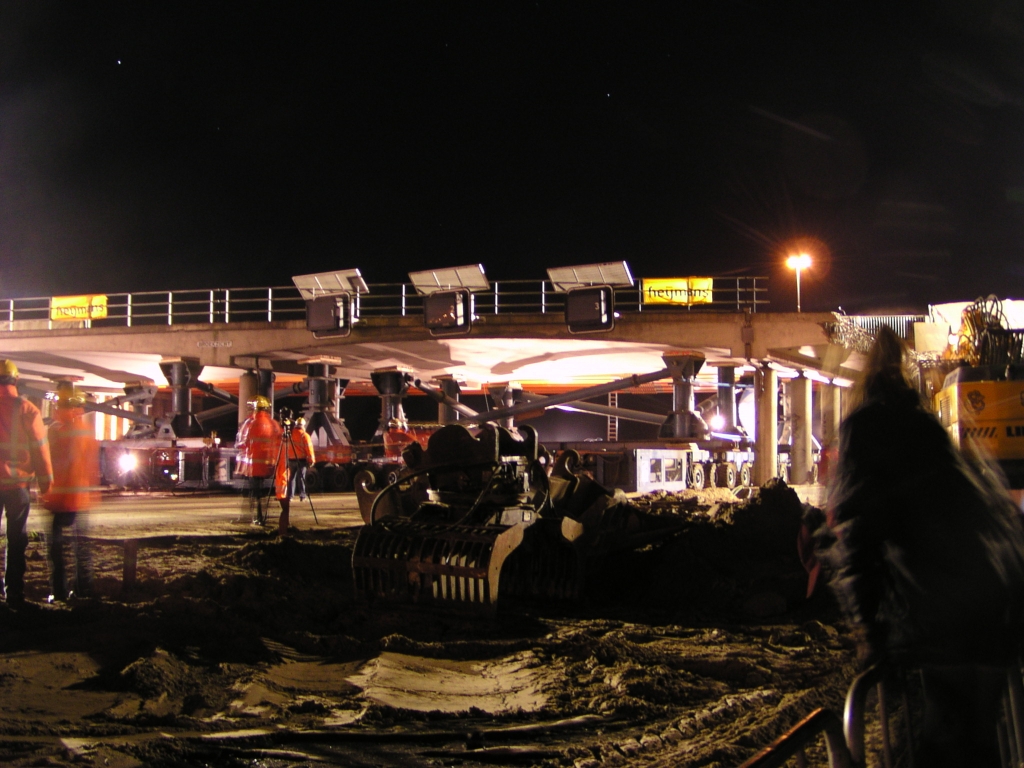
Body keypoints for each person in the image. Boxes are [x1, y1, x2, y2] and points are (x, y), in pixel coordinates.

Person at [826, 326, 1024, 767]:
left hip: (940, 620)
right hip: (993, 607)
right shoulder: (928, 428)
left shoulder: (866, 430)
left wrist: (870, 636)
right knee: (978, 743)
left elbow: (858, 539)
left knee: (933, 742)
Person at [0, 360, 53, 608]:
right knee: (16, 539)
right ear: (16, 380)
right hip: (17, 486)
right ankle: (15, 595)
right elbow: (40, 449)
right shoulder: (27, 409)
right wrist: (46, 483)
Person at [42, 382, 100, 602]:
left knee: (56, 552)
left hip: (58, 499)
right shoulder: (86, 432)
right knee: (82, 550)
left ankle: (58, 593)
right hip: (81, 499)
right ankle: (84, 591)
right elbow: (91, 467)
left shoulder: (56, 432)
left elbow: (49, 463)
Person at [235, 396, 282, 525]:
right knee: (264, 493)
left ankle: (254, 517)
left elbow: (241, 443)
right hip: (269, 465)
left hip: (253, 465)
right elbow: (281, 441)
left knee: (253, 493)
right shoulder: (274, 424)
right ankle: (263, 517)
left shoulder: (250, 424)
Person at [275, 415, 316, 536]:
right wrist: (311, 460)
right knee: (301, 478)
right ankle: (303, 496)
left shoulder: (291, 434)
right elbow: (309, 449)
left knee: (291, 478)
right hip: (301, 460)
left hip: (291, 459)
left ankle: (291, 495)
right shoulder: (304, 435)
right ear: (303, 425)